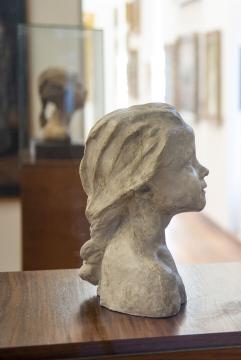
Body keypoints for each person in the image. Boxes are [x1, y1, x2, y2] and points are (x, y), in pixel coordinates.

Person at [78, 103, 209, 317]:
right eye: (187, 162)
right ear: (144, 185)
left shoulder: (158, 255)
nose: (203, 170)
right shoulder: (152, 279)